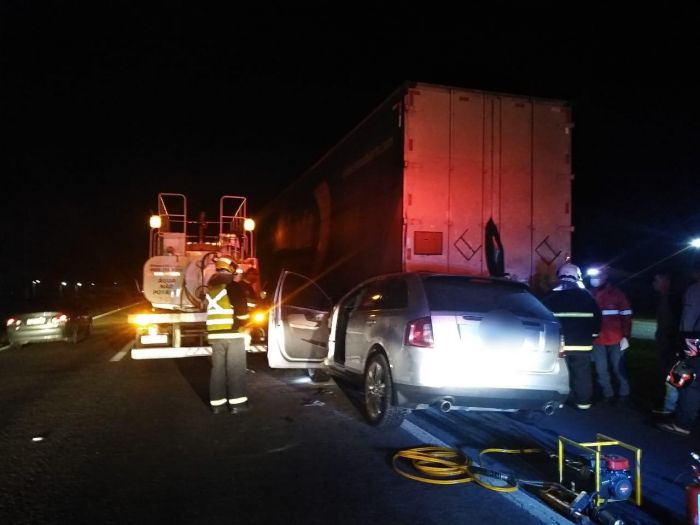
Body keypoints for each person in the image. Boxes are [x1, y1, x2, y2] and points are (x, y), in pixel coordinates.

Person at [542, 263, 602, 410]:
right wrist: (592, 336)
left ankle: (559, 401)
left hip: (559, 345)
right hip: (582, 345)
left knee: (559, 373)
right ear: (577, 276)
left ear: (559, 276)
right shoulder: (587, 296)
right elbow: (597, 319)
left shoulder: (550, 297)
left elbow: (542, 318)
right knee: (582, 374)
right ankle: (583, 403)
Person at [658, 261, 700, 435]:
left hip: (694, 340)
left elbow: (688, 320)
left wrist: (683, 345)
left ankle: (683, 423)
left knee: (691, 382)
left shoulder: (695, 290)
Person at [205, 256, 251, 415]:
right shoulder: (233, 286)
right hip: (233, 334)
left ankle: (217, 405)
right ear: (231, 269)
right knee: (235, 369)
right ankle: (238, 405)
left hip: (215, 335)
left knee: (217, 370)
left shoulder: (212, 288)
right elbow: (242, 312)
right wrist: (246, 324)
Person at [589, 266, 633, 408]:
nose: (594, 279)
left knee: (617, 367)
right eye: (593, 277)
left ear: (605, 277)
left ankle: (624, 394)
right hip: (597, 338)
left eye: (597, 276)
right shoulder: (590, 294)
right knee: (601, 369)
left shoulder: (617, 294)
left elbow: (626, 316)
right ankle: (607, 394)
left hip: (616, 338)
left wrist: (626, 336)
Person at [650, 270, 682, 416]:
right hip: (665, 343)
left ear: (666, 281)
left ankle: (670, 409)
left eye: (657, 280)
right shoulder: (665, 298)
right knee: (663, 375)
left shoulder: (672, 298)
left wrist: (672, 343)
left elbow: (672, 323)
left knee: (671, 376)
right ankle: (664, 405)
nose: (654, 284)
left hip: (670, 345)